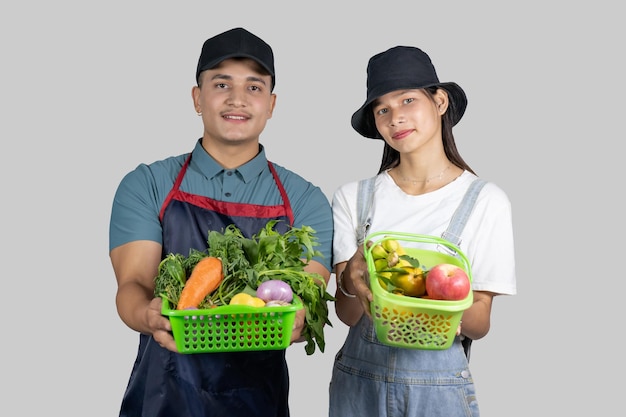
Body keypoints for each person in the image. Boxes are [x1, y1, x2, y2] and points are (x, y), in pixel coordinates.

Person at [109, 27, 333, 417]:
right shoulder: (148, 184)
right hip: (161, 397)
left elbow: (307, 292)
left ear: (271, 104)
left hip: (258, 402)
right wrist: (148, 314)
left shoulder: (304, 200)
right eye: (221, 83)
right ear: (197, 98)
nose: (237, 99)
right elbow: (133, 285)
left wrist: (299, 317)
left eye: (254, 87)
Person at [328, 46, 517, 416]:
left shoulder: (485, 201)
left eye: (408, 100)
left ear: (440, 101)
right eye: (382, 109)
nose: (395, 117)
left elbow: (479, 324)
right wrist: (350, 277)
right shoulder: (353, 198)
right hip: (358, 385)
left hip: (439, 389)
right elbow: (348, 315)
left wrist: (430, 305)